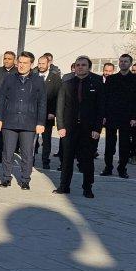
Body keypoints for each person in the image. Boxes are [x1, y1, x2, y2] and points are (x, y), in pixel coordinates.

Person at [0, 51, 45, 190]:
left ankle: (25, 179)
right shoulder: (9, 78)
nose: (21, 65)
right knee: (8, 152)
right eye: (19, 62)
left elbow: (42, 103)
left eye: (25, 63)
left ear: (31, 64)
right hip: (9, 121)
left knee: (27, 153)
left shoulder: (38, 80)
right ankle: (6, 178)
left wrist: (41, 122)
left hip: (29, 123)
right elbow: (1, 99)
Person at [54, 56, 104, 198]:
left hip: (89, 130)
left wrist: (97, 128)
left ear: (89, 67)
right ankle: (64, 186)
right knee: (67, 159)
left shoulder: (97, 84)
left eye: (83, 65)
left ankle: (87, 187)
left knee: (87, 160)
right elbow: (60, 107)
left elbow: (100, 109)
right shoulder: (66, 84)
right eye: (78, 65)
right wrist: (61, 126)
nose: (80, 67)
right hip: (69, 129)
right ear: (74, 67)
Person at [101, 54, 136, 178]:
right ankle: (108, 167)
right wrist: (104, 115)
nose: (123, 63)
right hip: (111, 116)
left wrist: (135, 117)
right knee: (109, 144)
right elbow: (105, 98)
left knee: (124, 145)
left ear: (130, 64)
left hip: (127, 118)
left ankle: (122, 168)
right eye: (121, 61)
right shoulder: (112, 79)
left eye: (126, 61)